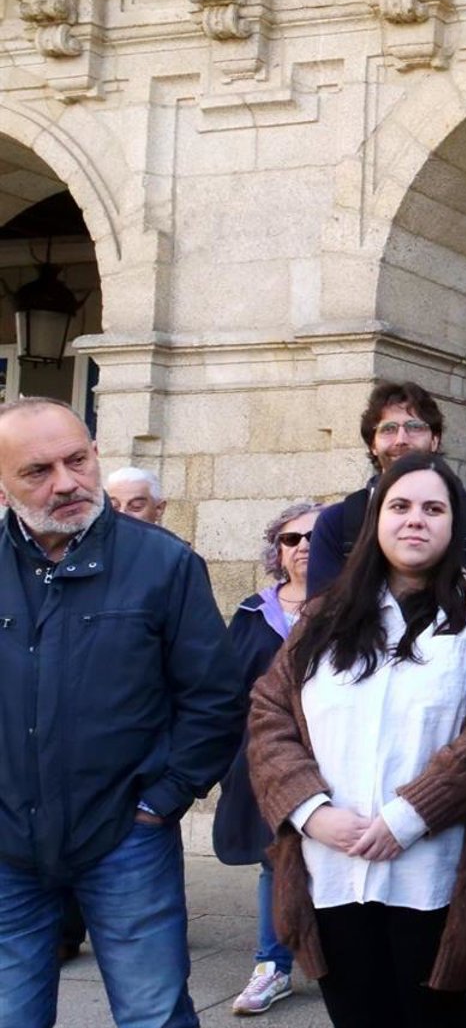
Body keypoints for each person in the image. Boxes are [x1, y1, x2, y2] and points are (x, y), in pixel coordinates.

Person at [0, 396, 245, 1028]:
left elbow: (214, 696)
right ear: (1, 485)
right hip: (7, 848)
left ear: (95, 454)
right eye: (37, 471)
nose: (66, 483)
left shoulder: (163, 563)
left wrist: (164, 799)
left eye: (77, 460)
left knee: (153, 1015)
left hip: (125, 839)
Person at [248, 452, 466, 1027]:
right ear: (376, 521)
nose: (415, 519)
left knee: (440, 1018)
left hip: (433, 870)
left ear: (455, 525)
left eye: (433, 509)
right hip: (331, 866)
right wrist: (309, 811)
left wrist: (410, 816)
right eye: (400, 506)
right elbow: (269, 712)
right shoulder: (326, 614)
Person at [215, 501, 323, 1016]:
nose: (303, 546)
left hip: (334, 754)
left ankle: (339, 959)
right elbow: (229, 686)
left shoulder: (355, 605)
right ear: (276, 551)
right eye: (291, 539)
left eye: (315, 537)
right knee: (274, 858)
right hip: (269, 756)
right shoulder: (254, 611)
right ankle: (272, 965)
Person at [307, 381, 466, 594]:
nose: (401, 440)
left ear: (435, 441)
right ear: (372, 445)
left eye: (414, 427)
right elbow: (323, 611)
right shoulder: (336, 523)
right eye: (388, 429)